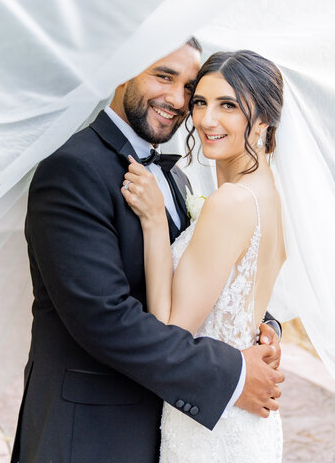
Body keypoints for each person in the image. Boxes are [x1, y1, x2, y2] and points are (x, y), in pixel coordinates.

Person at [11, 40, 284, 463]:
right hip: (92, 436)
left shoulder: (177, 182)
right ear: (122, 70)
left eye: (188, 87)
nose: (177, 100)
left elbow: (201, 277)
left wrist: (257, 325)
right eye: (163, 76)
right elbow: (104, 317)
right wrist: (233, 374)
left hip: (171, 427)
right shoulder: (72, 169)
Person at [122, 50, 285, 462]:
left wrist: (156, 223)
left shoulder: (231, 202)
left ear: (264, 118)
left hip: (212, 427)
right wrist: (270, 330)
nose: (206, 119)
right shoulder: (269, 197)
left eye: (227, 105)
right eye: (200, 102)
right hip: (240, 421)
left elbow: (171, 333)